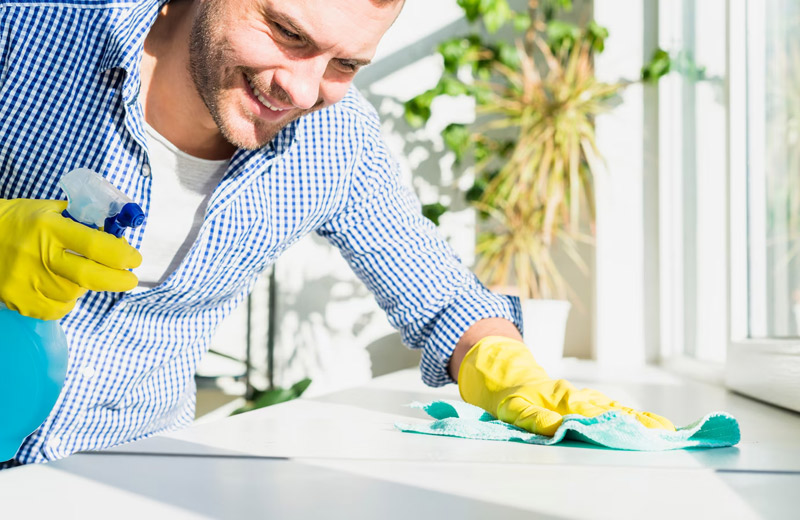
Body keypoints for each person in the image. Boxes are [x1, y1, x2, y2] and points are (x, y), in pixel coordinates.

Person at [0, 0, 674, 467]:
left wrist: (509, 370)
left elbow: (441, 294)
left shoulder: (333, 141)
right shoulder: (28, 28)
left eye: (346, 64)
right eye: (287, 32)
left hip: (128, 478)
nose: (300, 89)